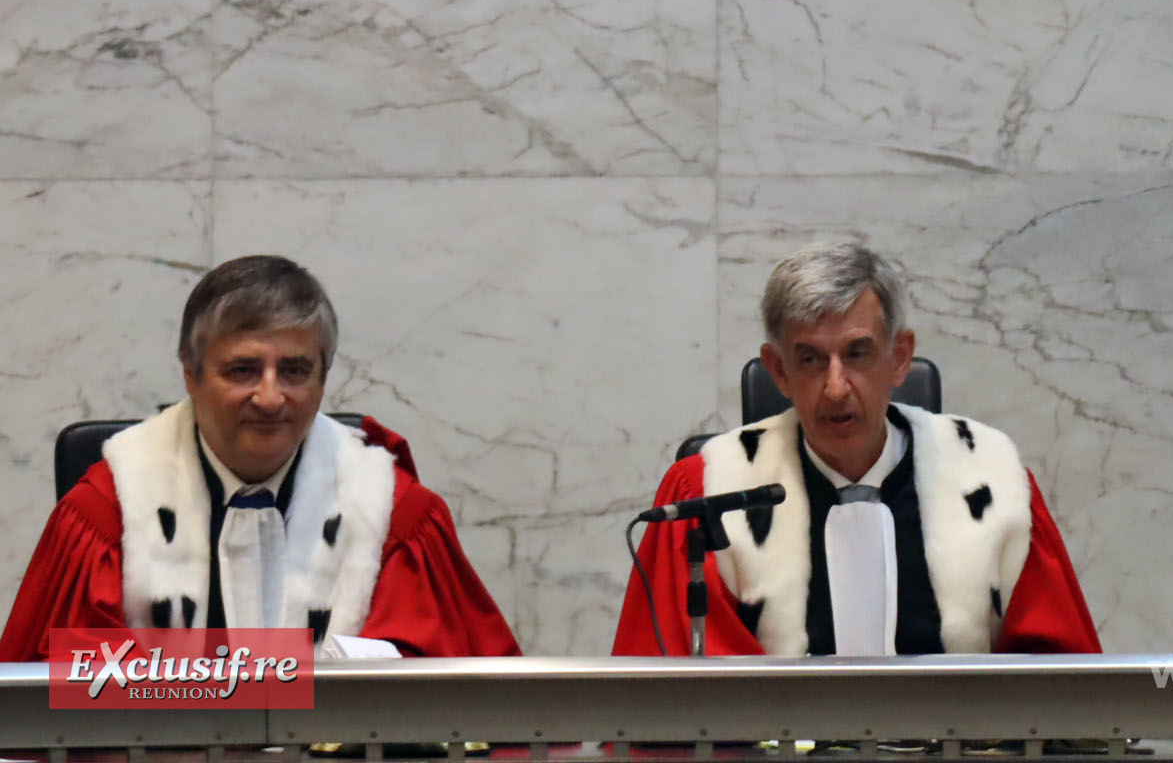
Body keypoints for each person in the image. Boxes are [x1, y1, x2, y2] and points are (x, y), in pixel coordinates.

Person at [0, 255, 520, 660]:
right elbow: (54, 703)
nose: (271, 398)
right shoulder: (106, 513)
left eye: (294, 371)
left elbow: (463, 708)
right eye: (243, 370)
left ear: (323, 378)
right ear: (191, 374)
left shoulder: (393, 517)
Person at [614, 243, 1100, 656]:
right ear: (778, 370)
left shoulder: (993, 481)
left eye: (857, 354)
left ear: (900, 357)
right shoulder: (709, 497)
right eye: (809, 360)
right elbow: (670, 707)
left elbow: (1060, 694)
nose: (835, 387)